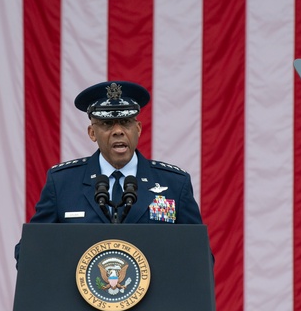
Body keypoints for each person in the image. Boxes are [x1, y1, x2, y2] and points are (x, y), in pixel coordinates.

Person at [15, 80, 203, 261]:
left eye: (126, 122)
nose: (118, 131)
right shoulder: (62, 183)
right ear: (91, 133)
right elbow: (29, 250)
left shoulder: (175, 184)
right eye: (107, 124)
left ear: (138, 129)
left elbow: (199, 255)